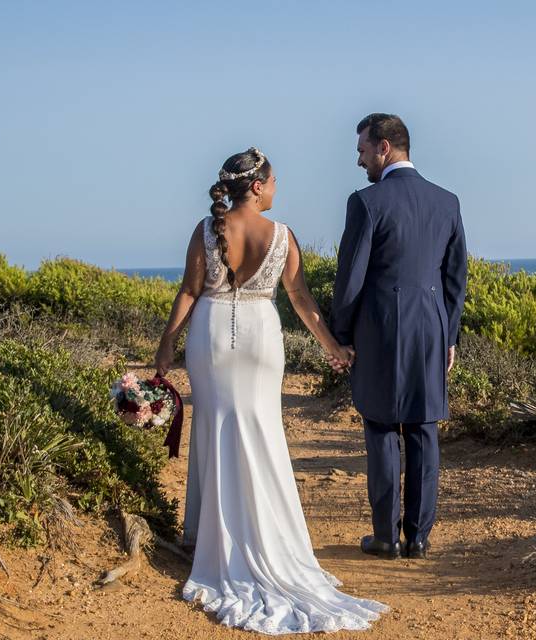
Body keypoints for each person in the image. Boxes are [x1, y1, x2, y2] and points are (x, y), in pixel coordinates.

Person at [154, 147, 387, 634]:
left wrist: (168, 339)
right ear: (256, 186)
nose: (278, 187)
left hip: (211, 337)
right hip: (261, 338)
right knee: (261, 432)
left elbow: (190, 290)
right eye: (274, 180)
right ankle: (266, 540)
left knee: (216, 429)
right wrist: (333, 347)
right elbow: (301, 300)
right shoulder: (282, 236)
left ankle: (214, 540)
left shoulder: (205, 230)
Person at [330, 114, 468, 560]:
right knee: (424, 431)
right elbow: (455, 279)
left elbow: (350, 279)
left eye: (363, 150)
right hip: (431, 328)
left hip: (381, 331)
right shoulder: (447, 202)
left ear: (384, 147)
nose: (359, 160)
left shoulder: (366, 202)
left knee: (382, 428)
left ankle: (387, 537)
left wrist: (342, 335)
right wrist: (449, 335)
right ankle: (420, 537)